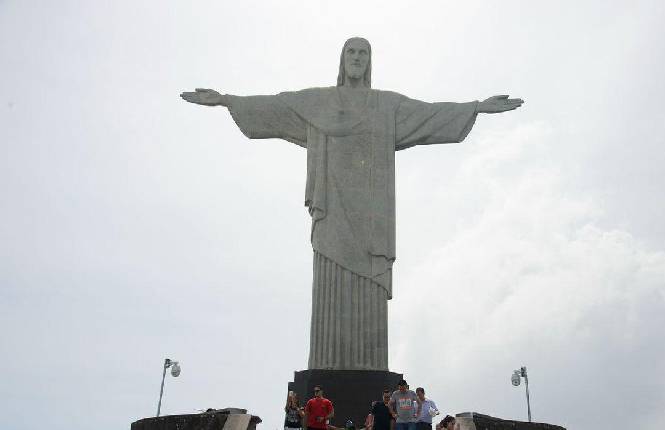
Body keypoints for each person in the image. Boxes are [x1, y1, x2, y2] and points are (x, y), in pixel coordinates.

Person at [180, 38, 523, 372]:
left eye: (363, 53)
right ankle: (327, 363)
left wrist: (475, 107)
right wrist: (226, 100)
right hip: (331, 208)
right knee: (329, 276)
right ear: (342, 59)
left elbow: (429, 114)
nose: (357, 57)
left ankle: (368, 366)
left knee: (369, 282)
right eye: (351, 52)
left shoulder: (386, 105)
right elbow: (275, 106)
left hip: (372, 217)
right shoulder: (319, 102)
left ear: (370, 61)